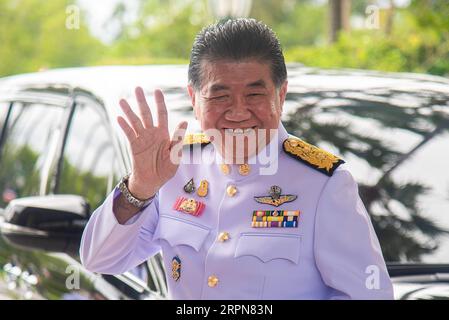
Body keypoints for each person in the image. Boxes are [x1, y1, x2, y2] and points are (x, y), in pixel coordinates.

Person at [80, 18, 394, 299]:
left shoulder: (323, 183)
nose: (239, 112)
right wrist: (140, 187)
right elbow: (100, 260)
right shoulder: (173, 167)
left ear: (280, 96)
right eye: (220, 96)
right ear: (194, 100)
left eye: (255, 95)